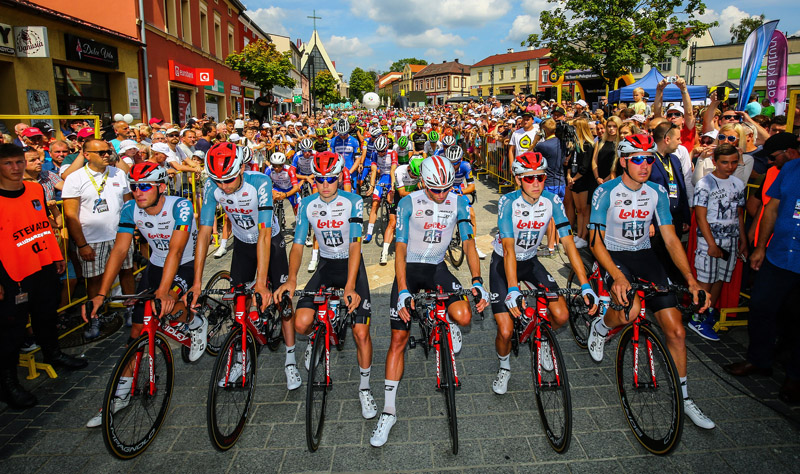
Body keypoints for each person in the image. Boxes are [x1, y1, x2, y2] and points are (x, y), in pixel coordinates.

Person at [586, 134, 715, 429]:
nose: (645, 165)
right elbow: (594, 240)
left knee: (677, 331)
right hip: (613, 255)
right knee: (629, 311)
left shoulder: (656, 191)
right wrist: (616, 276)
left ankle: (684, 398)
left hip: (644, 255)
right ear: (624, 162)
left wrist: (691, 280)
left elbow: (670, 238)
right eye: (637, 159)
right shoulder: (605, 191)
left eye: (649, 159)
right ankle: (602, 325)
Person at [369, 156, 490, 448]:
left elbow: (469, 242)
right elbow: (399, 250)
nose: (441, 194)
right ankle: (388, 411)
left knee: (463, 314)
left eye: (446, 188)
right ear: (422, 182)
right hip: (409, 269)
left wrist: (477, 281)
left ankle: (446, 321)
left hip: (436, 267)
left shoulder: (459, 202)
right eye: (435, 189)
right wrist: (401, 290)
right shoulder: (408, 202)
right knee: (398, 339)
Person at [83, 162, 206, 426]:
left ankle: (195, 323)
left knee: (169, 304)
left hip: (183, 262)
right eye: (135, 187)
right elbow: (119, 251)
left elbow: (175, 250)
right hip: (156, 264)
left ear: (161, 187)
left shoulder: (180, 207)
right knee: (137, 330)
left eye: (145, 186)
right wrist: (101, 293)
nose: (138, 192)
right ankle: (121, 395)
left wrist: (164, 292)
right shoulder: (130, 209)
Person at [274, 151, 377, 425]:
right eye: (320, 179)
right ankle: (316, 339)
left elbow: (355, 244)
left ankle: (365, 389)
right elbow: (297, 245)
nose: (325, 185)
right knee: (300, 323)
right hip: (325, 266)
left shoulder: (353, 201)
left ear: (340, 176)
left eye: (331, 179)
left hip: (351, 267)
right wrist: (292, 279)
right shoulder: (307, 203)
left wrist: (351, 286)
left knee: (361, 332)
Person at [191, 142, 302, 390]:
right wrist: (197, 283)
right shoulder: (213, 185)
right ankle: (242, 359)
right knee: (238, 302)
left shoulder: (260, 182)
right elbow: (205, 232)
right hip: (242, 243)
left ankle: (291, 360)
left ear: (241, 168)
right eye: (217, 181)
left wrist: (261, 284)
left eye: (229, 179)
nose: (223, 187)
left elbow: (263, 233)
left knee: (282, 301)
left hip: (269, 241)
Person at [490, 152, 597, 394]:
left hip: (530, 261)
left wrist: (586, 284)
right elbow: (508, 249)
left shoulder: (551, 201)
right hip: (504, 263)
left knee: (561, 315)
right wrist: (513, 289)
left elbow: (569, 243)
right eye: (529, 179)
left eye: (541, 177)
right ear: (518, 179)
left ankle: (543, 337)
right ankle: (504, 367)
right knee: (505, 330)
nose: (537, 183)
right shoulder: (508, 202)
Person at [0, 144, 87, 410]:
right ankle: (8, 384)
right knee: (12, 331)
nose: (16, 168)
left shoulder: (36, 189)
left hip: (43, 264)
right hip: (12, 274)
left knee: (47, 314)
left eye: (18, 162)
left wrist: (57, 256)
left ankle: (54, 354)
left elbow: (43, 226)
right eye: (9, 163)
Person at [724, 133, 800, 403]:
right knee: (761, 305)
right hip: (779, 254)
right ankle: (759, 360)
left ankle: (795, 377)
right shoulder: (790, 168)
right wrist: (760, 247)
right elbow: (771, 209)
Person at [62, 139, 136, 302]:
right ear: (87, 155)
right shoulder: (75, 178)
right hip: (92, 240)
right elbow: (70, 215)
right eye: (101, 152)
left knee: (126, 272)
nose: (107, 155)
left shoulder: (118, 173)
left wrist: (131, 231)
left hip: (120, 236)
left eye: (108, 151)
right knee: (95, 279)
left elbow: (128, 204)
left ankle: (131, 309)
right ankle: (96, 316)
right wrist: (82, 245)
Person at [688, 143, 747, 342]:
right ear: (715, 162)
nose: (729, 167)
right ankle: (697, 316)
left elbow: (739, 214)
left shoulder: (738, 184)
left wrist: (743, 240)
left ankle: (709, 312)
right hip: (709, 241)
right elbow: (701, 216)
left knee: (720, 278)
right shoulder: (705, 183)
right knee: (705, 280)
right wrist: (711, 244)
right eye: (724, 162)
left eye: (733, 162)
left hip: (731, 240)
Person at [533, 119, 566, 255]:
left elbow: (528, 154)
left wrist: (536, 140)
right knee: (558, 213)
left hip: (550, 183)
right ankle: (556, 242)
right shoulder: (562, 142)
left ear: (544, 130)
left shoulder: (543, 146)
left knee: (550, 216)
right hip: (561, 182)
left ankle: (550, 247)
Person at [363, 136, 396, 244]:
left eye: (383, 151)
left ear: (387, 148)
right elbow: (373, 171)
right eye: (379, 151)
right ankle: (369, 233)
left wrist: (392, 185)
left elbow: (393, 169)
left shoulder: (392, 153)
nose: (381, 153)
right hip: (382, 178)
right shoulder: (375, 154)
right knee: (375, 204)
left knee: (391, 200)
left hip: (392, 177)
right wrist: (372, 186)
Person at [654, 76, 696, 151]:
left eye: (677, 115)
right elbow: (657, 115)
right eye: (669, 115)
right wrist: (659, 90)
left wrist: (683, 89)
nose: (673, 117)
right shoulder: (664, 131)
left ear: (683, 119)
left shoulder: (688, 130)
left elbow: (689, 113)